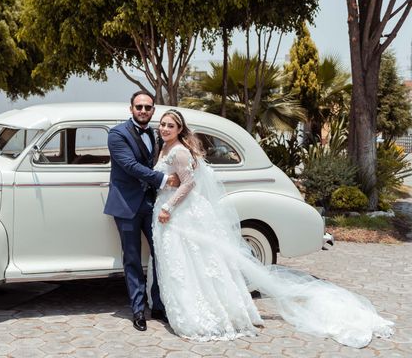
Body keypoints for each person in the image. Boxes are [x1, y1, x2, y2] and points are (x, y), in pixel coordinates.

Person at [152, 109, 394, 348]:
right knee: (181, 263)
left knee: (189, 262)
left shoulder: (180, 152)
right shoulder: (164, 148)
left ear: (179, 129)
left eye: (170, 125)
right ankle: (185, 308)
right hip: (171, 212)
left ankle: (200, 316)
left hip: (178, 213)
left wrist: (168, 207)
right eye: (162, 124)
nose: (164, 128)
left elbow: (189, 183)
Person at [104, 91, 179, 332]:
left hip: (152, 203)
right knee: (132, 259)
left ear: (153, 110)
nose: (143, 111)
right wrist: (165, 179)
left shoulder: (158, 134)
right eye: (139, 107)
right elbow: (129, 165)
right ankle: (138, 310)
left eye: (148, 107)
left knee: (161, 255)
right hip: (126, 205)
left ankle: (158, 305)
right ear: (131, 109)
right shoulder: (117, 134)